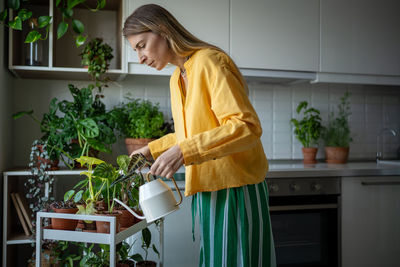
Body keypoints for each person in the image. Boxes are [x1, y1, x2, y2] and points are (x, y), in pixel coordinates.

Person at [123, 4, 276, 267]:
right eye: (136, 50)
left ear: (162, 30)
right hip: (207, 188)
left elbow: (245, 126)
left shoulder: (209, 61)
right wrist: (151, 150)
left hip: (235, 186)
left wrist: (184, 152)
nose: (141, 58)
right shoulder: (176, 77)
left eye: (141, 45)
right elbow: (191, 133)